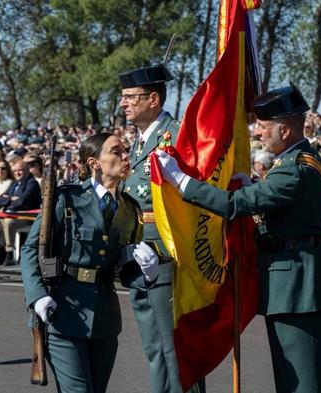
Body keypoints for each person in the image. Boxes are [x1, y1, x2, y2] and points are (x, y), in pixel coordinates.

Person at [157, 84, 321, 393]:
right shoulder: (295, 163)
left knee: (305, 381)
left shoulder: (293, 170)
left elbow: (233, 206)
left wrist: (180, 180)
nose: (258, 133)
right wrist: (250, 183)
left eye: (264, 126)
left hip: (297, 284)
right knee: (291, 377)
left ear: (284, 129)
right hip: (293, 281)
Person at [20, 132, 159, 393]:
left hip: (104, 317)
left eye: (125, 150)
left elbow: (124, 271)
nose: (125, 156)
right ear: (94, 163)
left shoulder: (129, 210)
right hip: (63, 311)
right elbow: (30, 250)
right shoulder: (66, 199)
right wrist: (37, 296)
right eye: (116, 151)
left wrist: (147, 275)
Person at [119, 64, 203, 393]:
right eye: (122, 98)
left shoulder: (177, 135)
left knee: (175, 349)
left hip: (168, 253)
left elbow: (193, 190)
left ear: (153, 99)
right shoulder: (140, 142)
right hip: (139, 252)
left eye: (130, 97)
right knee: (154, 349)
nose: (123, 104)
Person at [0, 160, 41, 265]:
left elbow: (22, 202)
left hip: (26, 217)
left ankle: (9, 253)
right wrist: (12, 198)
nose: (17, 173)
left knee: (8, 222)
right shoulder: (15, 183)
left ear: (27, 170)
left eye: (20, 170)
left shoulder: (32, 183)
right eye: (15, 171)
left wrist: (8, 199)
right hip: (10, 214)